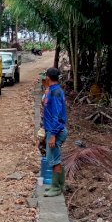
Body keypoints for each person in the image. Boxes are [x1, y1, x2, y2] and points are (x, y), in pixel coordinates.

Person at [43, 67, 68, 197]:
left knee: (54, 159)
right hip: (53, 129)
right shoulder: (53, 90)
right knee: (54, 157)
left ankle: (56, 187)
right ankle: (60, 184)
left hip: (56, 131)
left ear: (47, 77)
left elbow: (57, 116)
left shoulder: (56, 93)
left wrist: (52, 134)